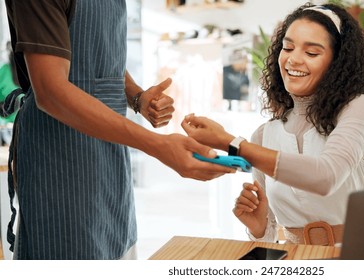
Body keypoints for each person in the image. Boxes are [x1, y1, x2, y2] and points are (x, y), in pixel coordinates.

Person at [4, 0, 235, 260]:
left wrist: (137, 97)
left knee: (118, 248)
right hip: (62, 159)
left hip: (110, 156)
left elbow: (90, 48)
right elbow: (50, 92)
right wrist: (158, 145)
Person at [182, 2, 364, 246]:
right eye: (287, 47)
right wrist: (258, 227)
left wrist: (231, 143)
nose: (293, 60)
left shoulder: (358, 108)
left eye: (311, 53)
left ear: (338, 63)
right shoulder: (265, 134)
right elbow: (269, 238)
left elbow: (326, 176)